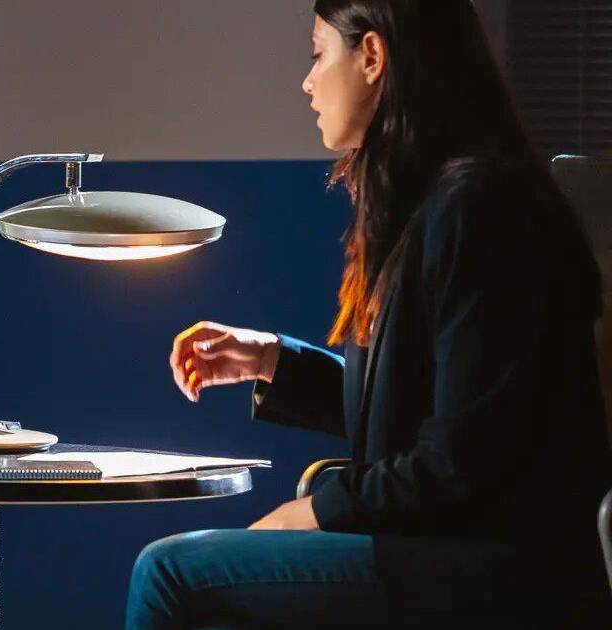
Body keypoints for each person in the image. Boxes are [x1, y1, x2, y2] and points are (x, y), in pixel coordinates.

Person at [125, 1, 612, 628]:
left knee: (167, 572)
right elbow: (422, 412)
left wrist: (315, 512)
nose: (307, 82)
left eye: (318, 54)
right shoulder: (437, 204)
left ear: (373, 56)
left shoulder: (479, 209)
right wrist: (272, 360)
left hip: (499, 569)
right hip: (451, 551)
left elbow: (461, 461)